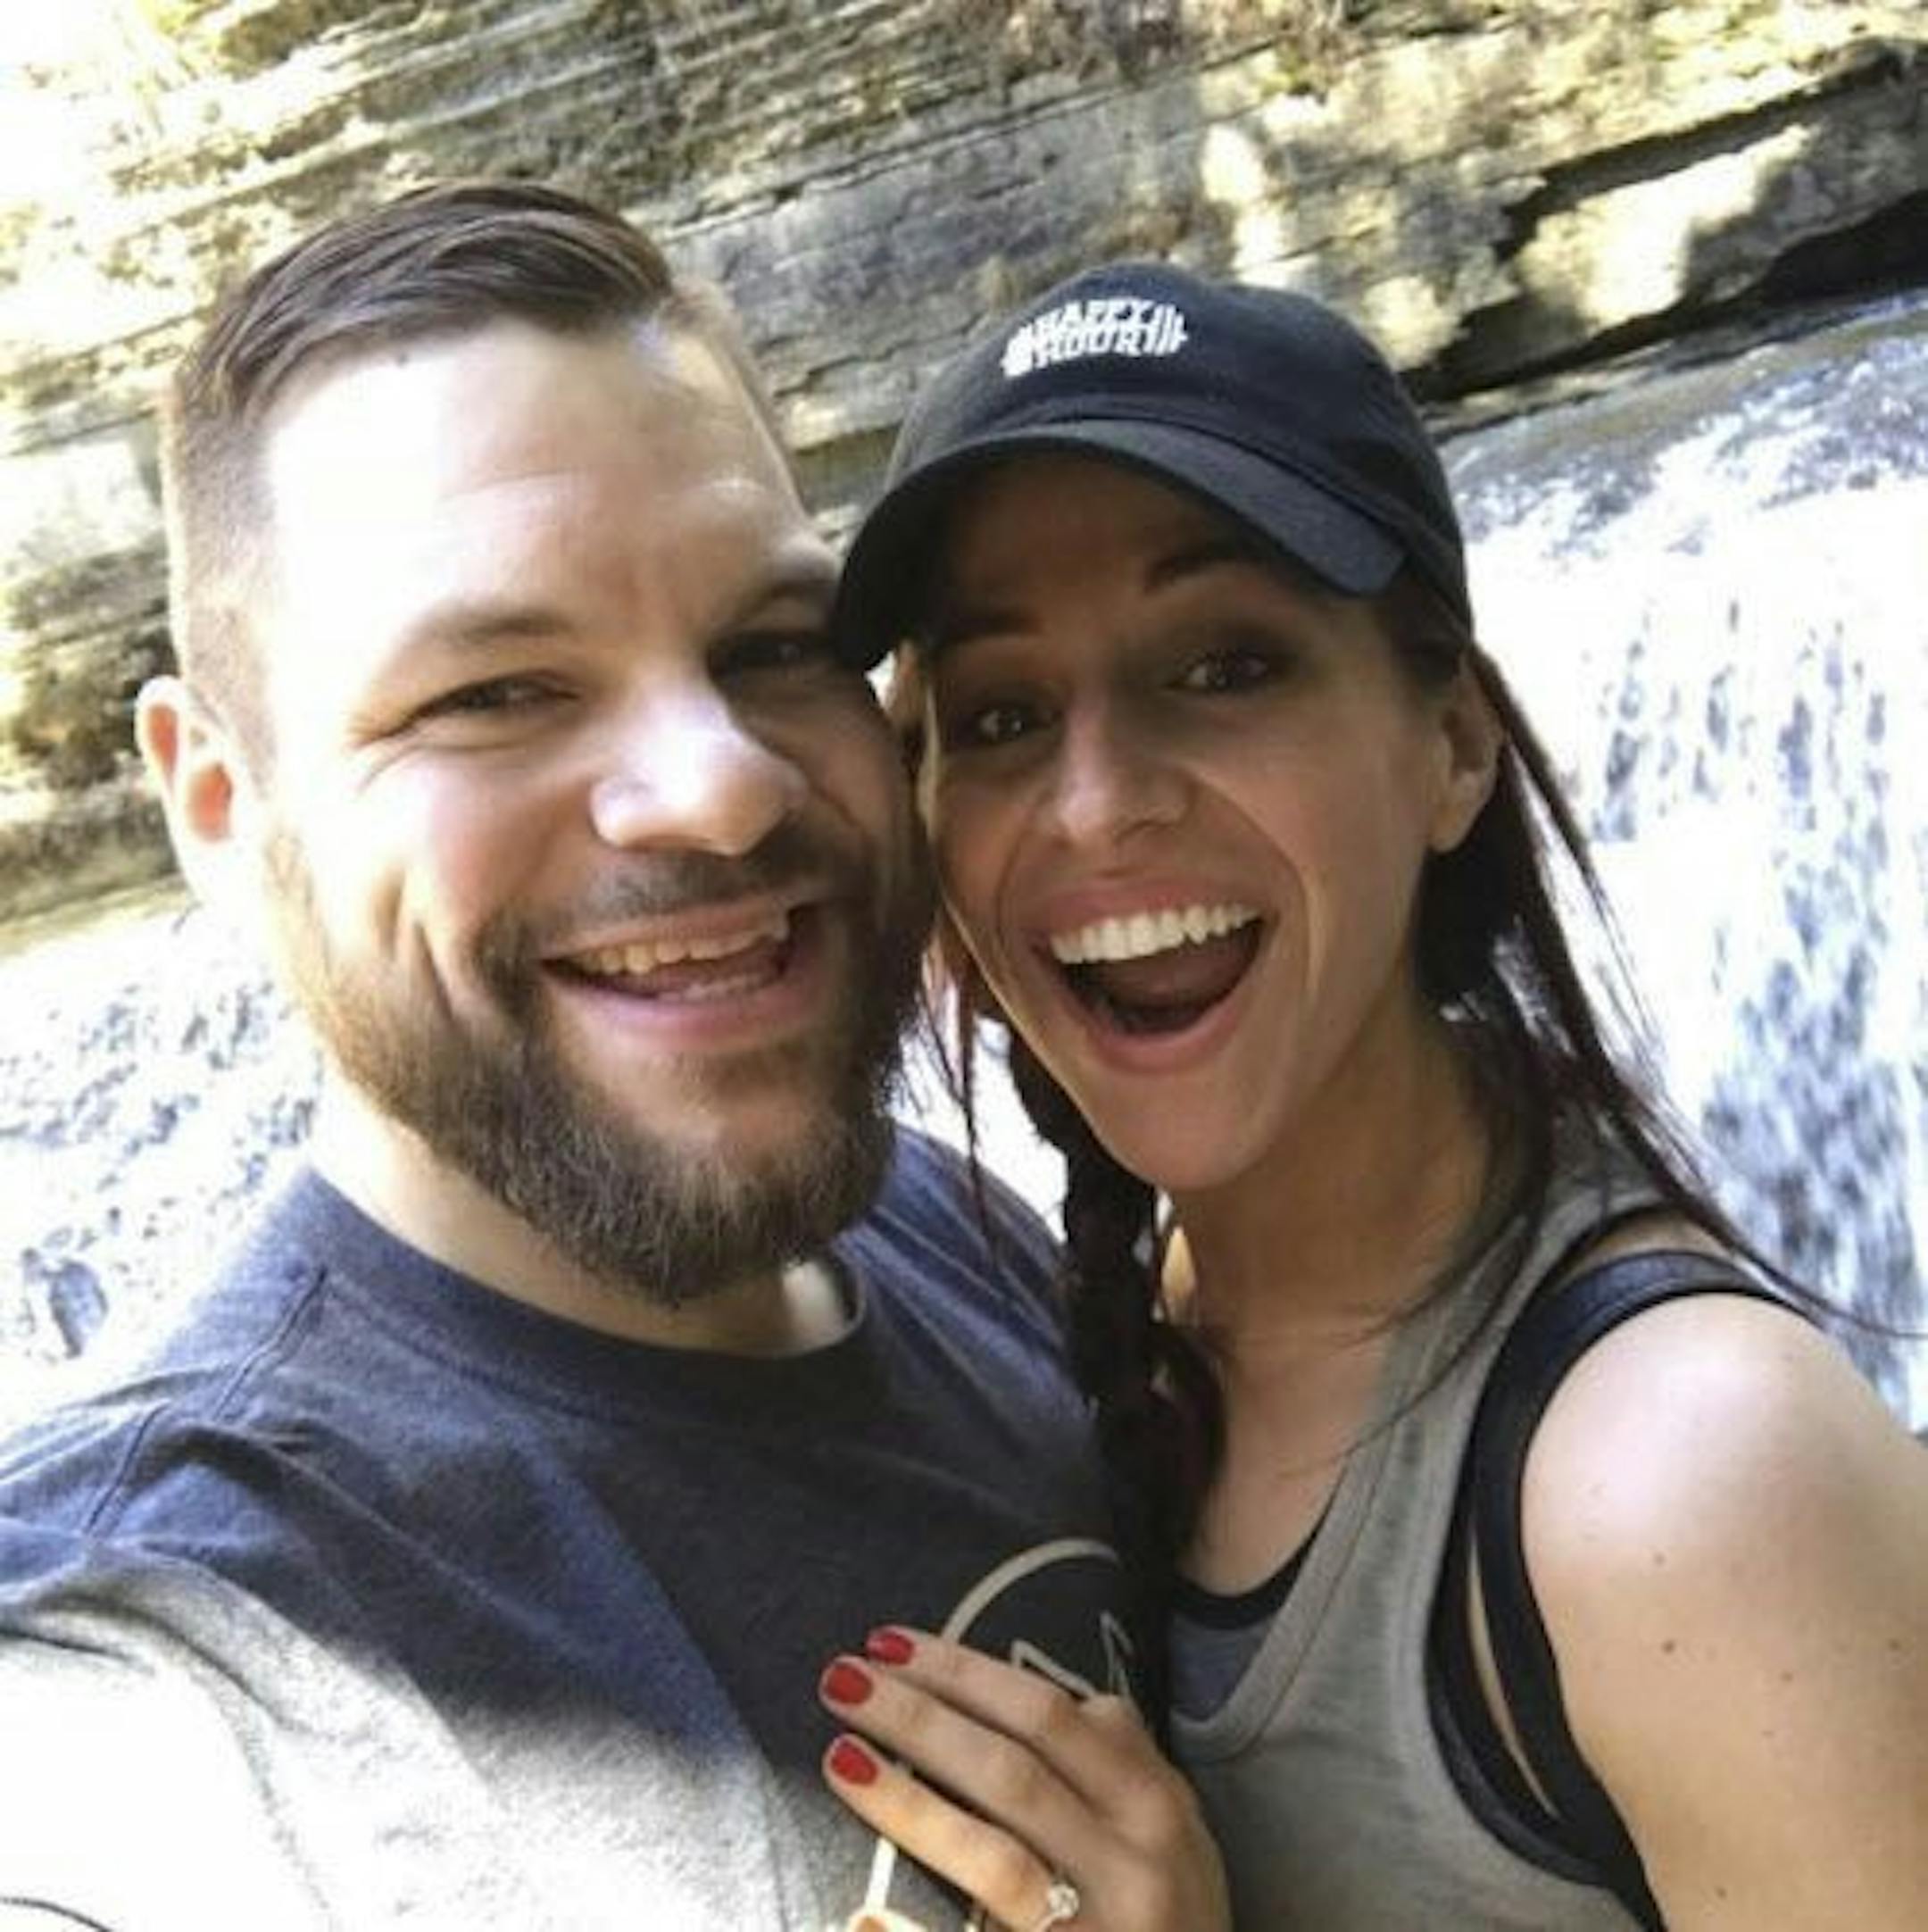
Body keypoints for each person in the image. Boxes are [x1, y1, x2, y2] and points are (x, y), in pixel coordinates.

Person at [0, 186, 1217, 1932]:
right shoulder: (167, 1656)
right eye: (494, 690)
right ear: (218, 800)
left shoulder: (956, 1237)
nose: (722, 786)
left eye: (775, 649)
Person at [814, 262, 1928, 1928]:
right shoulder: (1100, 1311)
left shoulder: (1687, 1479)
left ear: (1454, 746)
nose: (1098, 804)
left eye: (1223, 665)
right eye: (1002, 713)